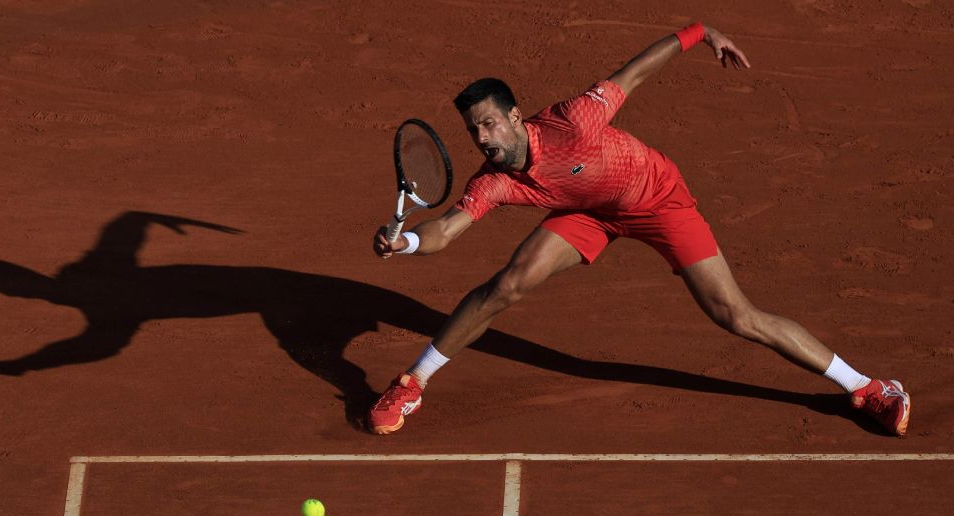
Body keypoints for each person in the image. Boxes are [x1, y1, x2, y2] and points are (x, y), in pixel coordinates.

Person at [369, 22, 911, 437]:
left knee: (735, 315)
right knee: (507, 284)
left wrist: (703, 33)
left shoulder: (573, 120)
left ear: (514, 117)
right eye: (473, 130)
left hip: (656, 198)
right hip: (589, 213)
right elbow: (446, 229)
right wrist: (408, 241)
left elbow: (637, 72)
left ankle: (866, 388)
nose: (482, 137)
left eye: (488, 123)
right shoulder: (494, 181)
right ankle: (413, 383)